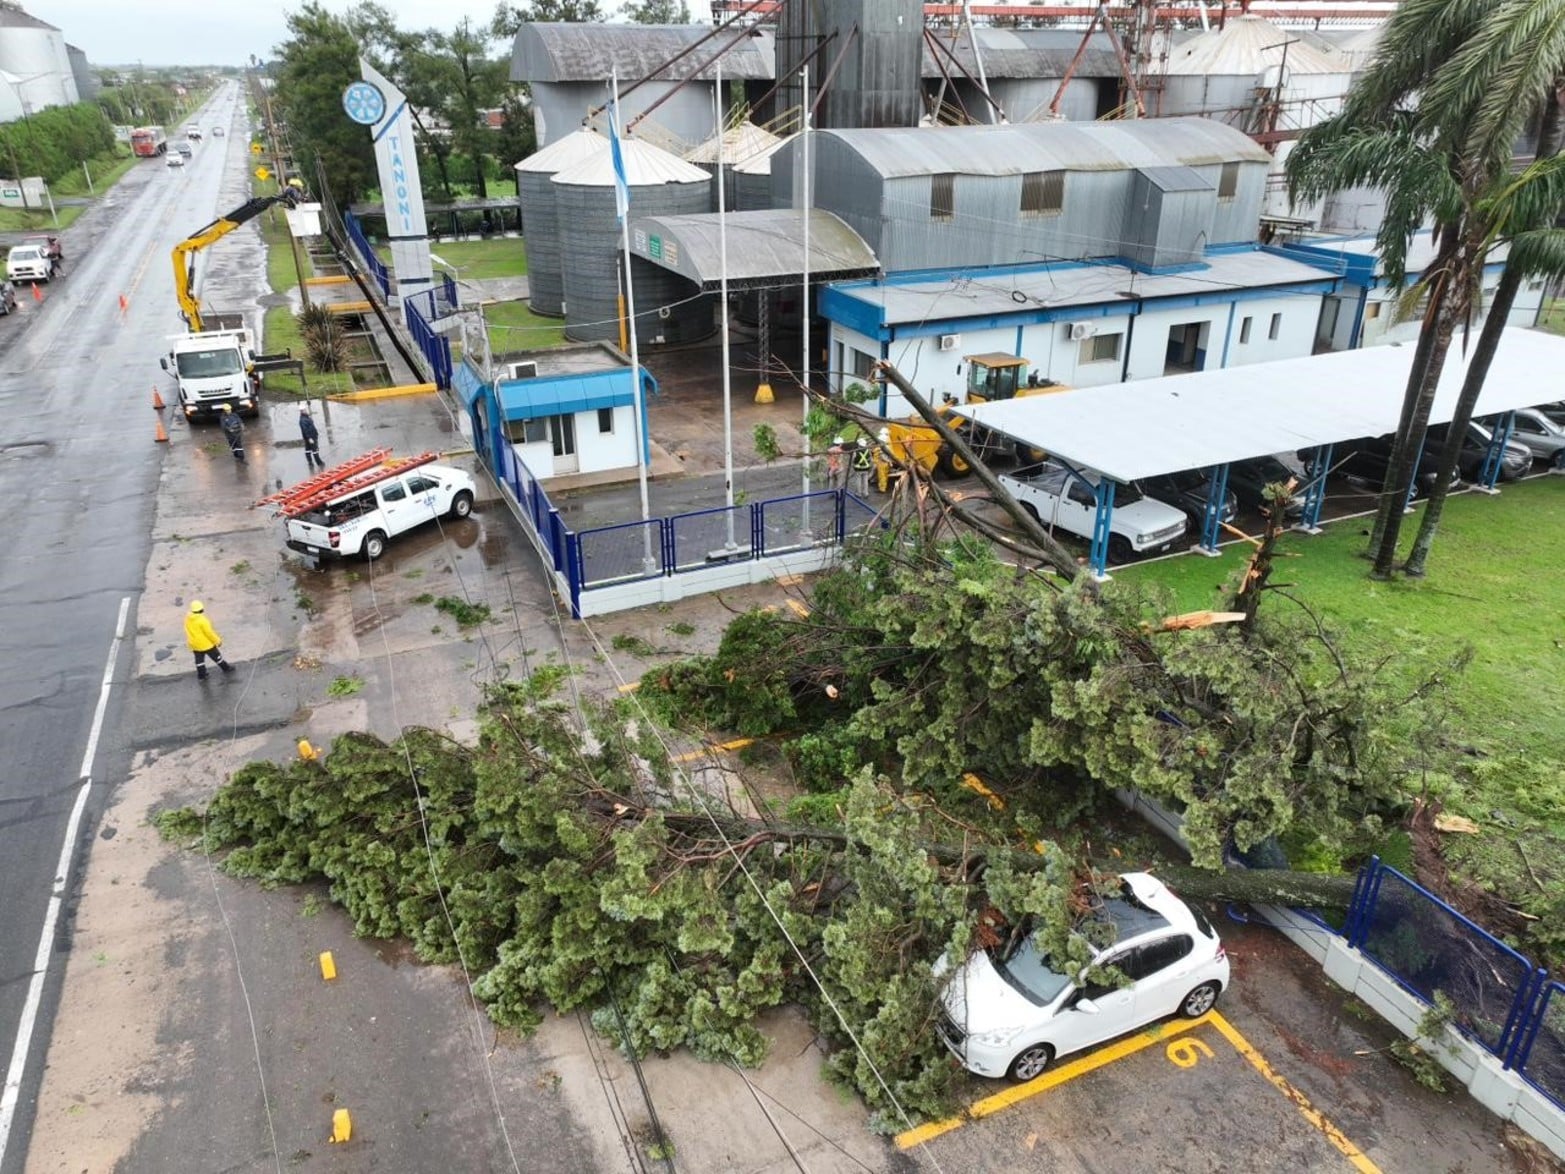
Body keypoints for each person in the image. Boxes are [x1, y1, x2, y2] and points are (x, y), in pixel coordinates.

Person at [184, 600, 234, 681]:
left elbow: (187, 630)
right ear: (201, 609)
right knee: (217, 657)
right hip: (206, 644)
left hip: (195, 645)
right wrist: (217, 641)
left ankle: (202, 676)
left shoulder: (187, 619)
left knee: (199, 661)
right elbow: (209, 633)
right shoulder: (203, 620)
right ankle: (226, 668)